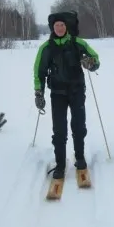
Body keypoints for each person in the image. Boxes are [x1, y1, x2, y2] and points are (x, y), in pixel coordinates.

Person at [33, 11, 100, 181]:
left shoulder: (78, 43)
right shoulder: (46, 48)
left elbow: (95, 59)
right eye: (57, 26)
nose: (60, 28)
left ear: (67, 27)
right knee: (59, 130)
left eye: (62, 25)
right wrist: (38, 92)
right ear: (52, 28)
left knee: (78, 126)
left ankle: (79, 157)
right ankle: (61, 164)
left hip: (77, 91)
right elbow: (39, 71)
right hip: (57, 94)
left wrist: (90, 63)